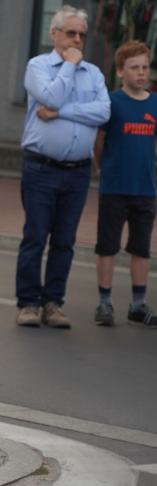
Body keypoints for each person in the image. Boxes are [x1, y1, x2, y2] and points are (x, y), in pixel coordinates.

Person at [16, 6, 111, 328]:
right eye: (71, 32)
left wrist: (60, 113)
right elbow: (51, 97)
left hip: (78, 171)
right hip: (41, 168)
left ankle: (53, 303)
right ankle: (28, 303)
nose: (77, 39)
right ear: (53, 33)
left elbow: (103, 113)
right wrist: (69, 67)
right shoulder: (38, 66)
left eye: (82, 35)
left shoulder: (95, 73)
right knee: (35, 237)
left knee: (64, 241)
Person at [93, 41, 157, 327]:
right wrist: (102, 168)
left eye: (145, 67)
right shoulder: (111, 102)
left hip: (146, 190)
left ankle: (138, 305)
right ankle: (105, 303)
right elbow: (99, 143)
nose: (141, 73)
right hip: (114, 189)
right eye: (134, 68)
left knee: (141, 249)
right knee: (107, 247)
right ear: (120, 71)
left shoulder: (155, 103)